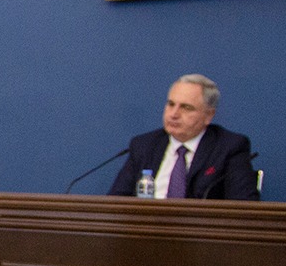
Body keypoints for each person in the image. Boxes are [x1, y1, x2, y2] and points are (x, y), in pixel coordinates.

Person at [107, 75, 259, 200]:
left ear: (209, 115)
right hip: (146, 226)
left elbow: (243, 204)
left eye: (186, 108)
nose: (174, 114)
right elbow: (116, 201)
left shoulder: (229, 148)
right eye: (171, 104)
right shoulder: (144, 145)